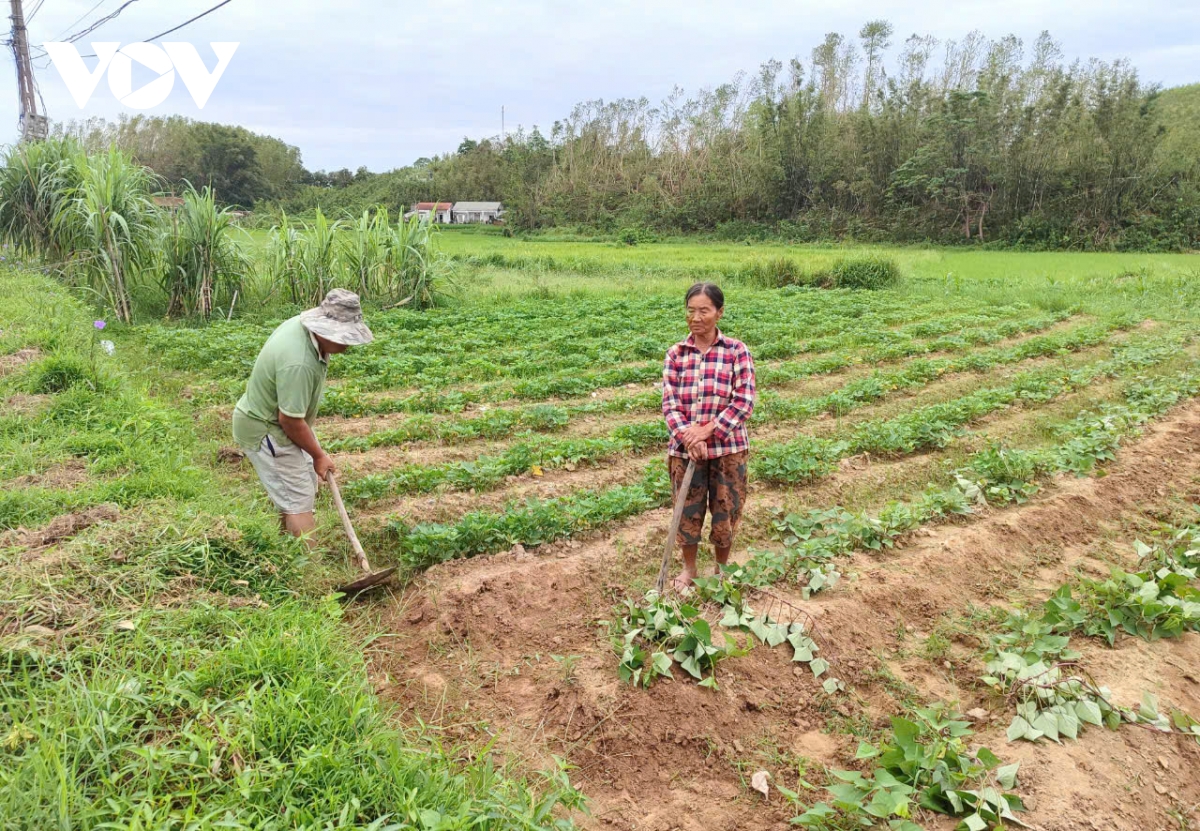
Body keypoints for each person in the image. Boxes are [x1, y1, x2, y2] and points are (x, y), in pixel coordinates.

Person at [232, 288, 374, 541]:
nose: (348, 345)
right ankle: (311, 568)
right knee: (297, 497)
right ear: (325, 330)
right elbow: (289, 420)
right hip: (266, 428)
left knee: (295, 488)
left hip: (274, 422)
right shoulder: (299, 363)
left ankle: (286, 549)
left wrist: (314, 454)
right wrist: (318, 455)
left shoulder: (301, 329)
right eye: (345, 338)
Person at [662, 282, 757, 591]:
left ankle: (721, 569)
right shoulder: (676, 354)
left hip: (728, 449)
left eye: (704, 310)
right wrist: (689, 438)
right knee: (687, 512)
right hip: (686, 451)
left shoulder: (736, 351)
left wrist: (707, 431)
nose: (696, 317)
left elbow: (743, 401)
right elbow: (670, 403)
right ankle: (688, 569)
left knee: (725, 510)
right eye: (691, 311)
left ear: (719, 312)